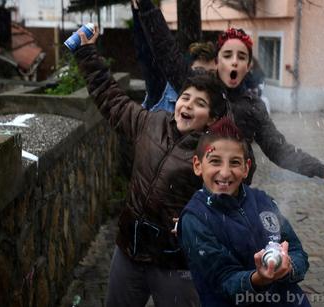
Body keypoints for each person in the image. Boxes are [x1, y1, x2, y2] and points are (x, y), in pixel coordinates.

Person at [74, 26, 227, 307]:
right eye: (185, 97)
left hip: (174, 263)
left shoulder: (213, 153)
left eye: (200, 103)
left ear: (211, 117)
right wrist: (86, 53)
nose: (188, 105)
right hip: (128, 253)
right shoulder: (152, 123)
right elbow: (112, 99)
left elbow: (227, 201)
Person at [135, 0, 324, 185]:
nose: (234, 60)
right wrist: (145, 6)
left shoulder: (254, 107)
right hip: (193, 195)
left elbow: (279, 150)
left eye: (241, 56)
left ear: (248, 66)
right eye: (227, 55)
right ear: (217, 62)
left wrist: (321, 170)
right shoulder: (200, 89)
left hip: (233, 197)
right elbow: (166, 51)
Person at [178, 117, 311, 307]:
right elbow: (223, 280)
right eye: (215, 161)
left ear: (246, 168)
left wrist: (288, 267)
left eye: (234, 163)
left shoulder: (263, 201)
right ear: (198, 165)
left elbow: (297, 251)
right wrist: (257, 279)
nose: (224, 173)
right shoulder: (195, 218)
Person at [131, 1, 216, 113]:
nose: (204, 79)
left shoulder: (217, 107)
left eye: (211, 74)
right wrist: (138, 9)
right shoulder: (161, 91)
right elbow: (147, 54)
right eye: (198, 72)